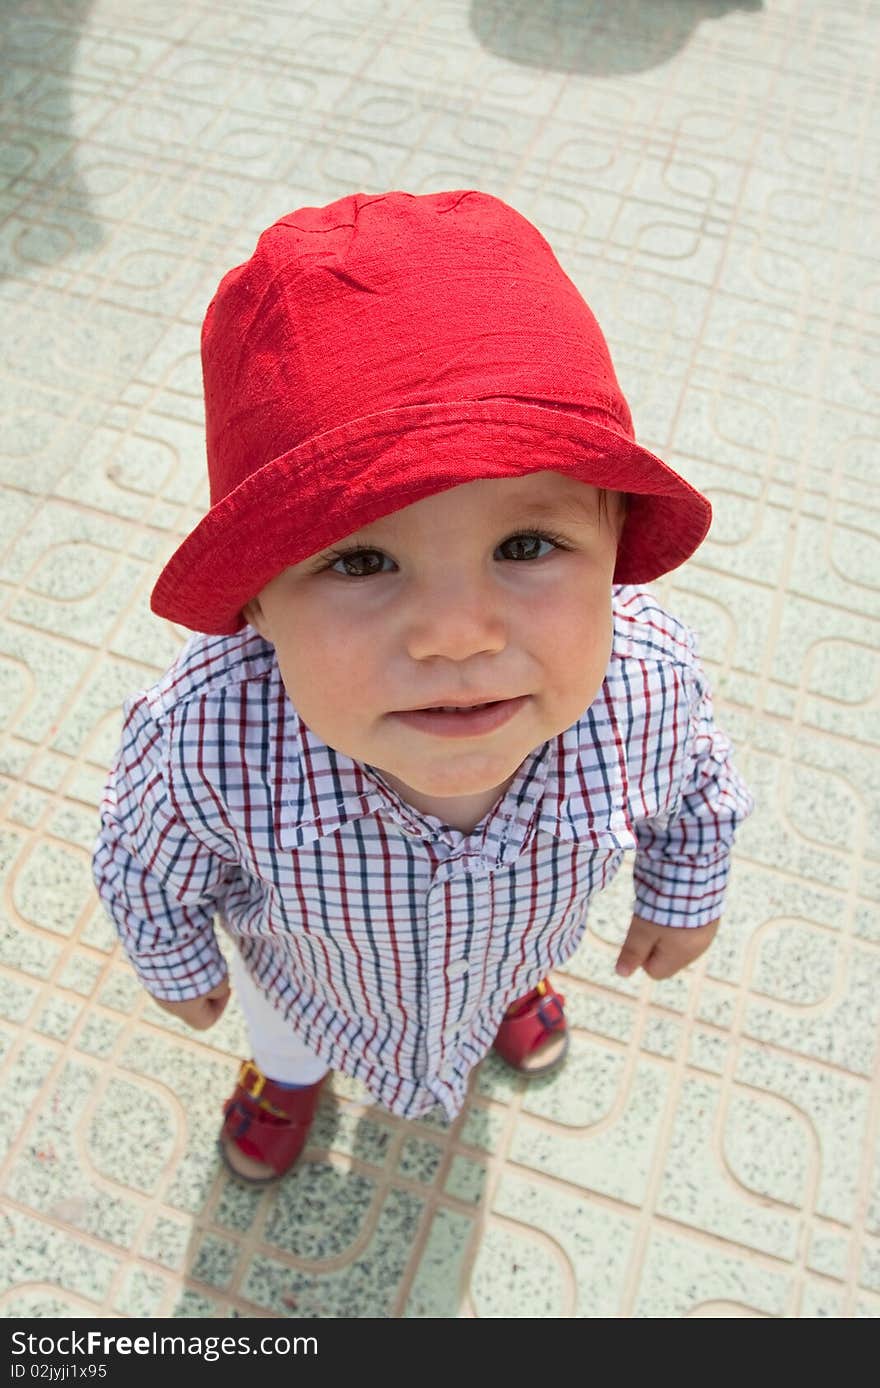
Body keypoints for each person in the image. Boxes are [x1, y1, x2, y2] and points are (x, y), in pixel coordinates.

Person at [92, 189, 754, 1184]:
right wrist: (176, 963)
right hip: (311, 980)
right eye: (360, 562)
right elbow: (142, 860)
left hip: (522, 924)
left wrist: (683, 891)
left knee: (506, 945)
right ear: (257, 605)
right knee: (287, 1033)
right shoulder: (206, 738)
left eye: (526, 544)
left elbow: (697, 786)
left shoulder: (648, 683)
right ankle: (286, 1079)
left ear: (614, 548)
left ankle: (501, 991)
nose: (457, 634)